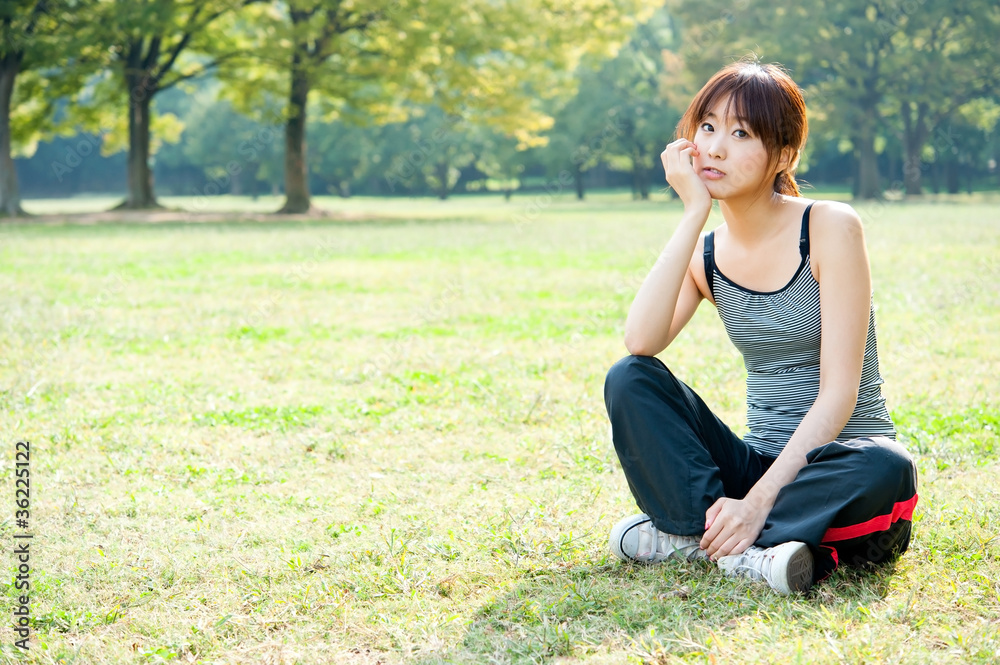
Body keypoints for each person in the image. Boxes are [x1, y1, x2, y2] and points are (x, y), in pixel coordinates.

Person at [603, 59, 919, 594]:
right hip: (757, 463)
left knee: (887, 466)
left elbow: (838, 395)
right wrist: (690, 217)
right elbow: (641, 341)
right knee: (630, 378)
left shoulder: (829, 227)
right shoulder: (707, 255)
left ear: (786, 154)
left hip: (834, 470)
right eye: (707, 126)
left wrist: (758, 503)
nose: (716, 147)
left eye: (741, 132)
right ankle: (743, 548)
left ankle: (701, 540)